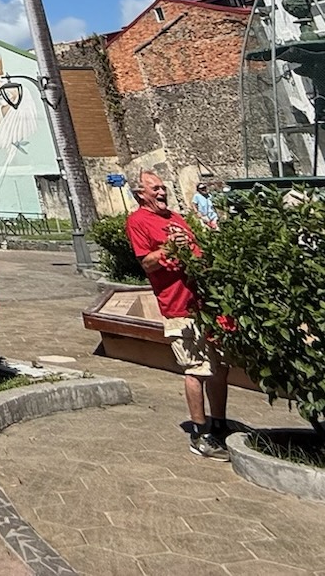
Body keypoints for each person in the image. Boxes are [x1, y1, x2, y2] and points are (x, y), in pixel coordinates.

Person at [125, 169, 230, 458]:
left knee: (220, 367)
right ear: (140, 194)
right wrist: (169, 248)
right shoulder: (137, 222)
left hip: (205, 304)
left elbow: (197, 249)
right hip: (179, 306)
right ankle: (200, 434)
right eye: (155, 188)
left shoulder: (175, 217)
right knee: (196, 369)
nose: (161, 192)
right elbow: (146, 263)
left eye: (163, 187)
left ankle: (219, 423)